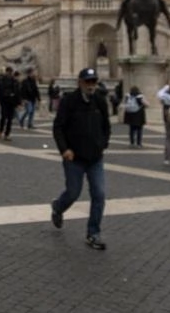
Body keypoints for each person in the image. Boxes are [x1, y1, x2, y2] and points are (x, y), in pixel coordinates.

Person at [49, 67, 111, 250]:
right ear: (80, 82)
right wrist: (64, 149)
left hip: (95, 158)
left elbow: (106, 125)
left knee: (99, 194)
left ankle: (93, 233)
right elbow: (58, 127)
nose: (91, 85)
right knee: (73, 193)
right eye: (88, 81)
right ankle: (58, 207)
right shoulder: (69, 101)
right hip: (74, 156)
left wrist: (103, 143)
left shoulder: (100, 101)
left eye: (93, 81)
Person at [0, 66, 20, 141]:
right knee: (4, 116)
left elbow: (17, 92)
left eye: (10, 72)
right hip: (3, 100)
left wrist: (18, 103)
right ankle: (0, 130)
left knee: (10, 119)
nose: (9, 74)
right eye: (8, 72)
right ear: (6, 72)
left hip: (11, 101)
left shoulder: (14, 81)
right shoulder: (0, 79)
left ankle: (7, 134)